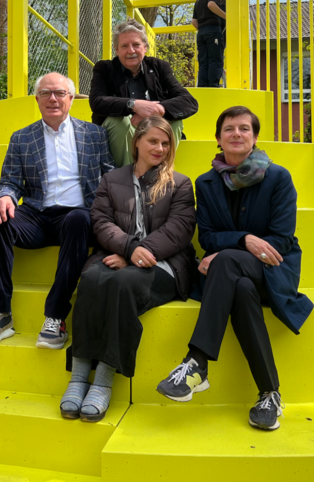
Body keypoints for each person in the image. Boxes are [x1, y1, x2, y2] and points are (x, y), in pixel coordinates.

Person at [155, 106, 313, 431]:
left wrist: (233, 248)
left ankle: (197, 361)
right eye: (229, 129)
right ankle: (270, 393)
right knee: (239, 288)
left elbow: (281, 240)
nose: (237, 134)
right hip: (234, 277)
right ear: (218, 138)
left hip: (273, 270)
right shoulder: (207, 182)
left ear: (254, 138)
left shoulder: (278, 177)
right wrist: (245, 240)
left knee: (225, 261)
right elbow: (208, 236)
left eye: (244, 129)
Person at [60, 116, 198, 422]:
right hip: (117, 255)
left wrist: (138, 253)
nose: (160, 148)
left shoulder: (180, 183)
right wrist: (128, 249)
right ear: (136, 141)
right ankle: (79, 376)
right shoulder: (112, 180)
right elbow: (100, 221)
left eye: (165, 143)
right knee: (92, 278)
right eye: (153, 141)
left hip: (165, 265)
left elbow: (179, 230)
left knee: (123, 284)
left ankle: (104, 381)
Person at [0, 72, 114, 350]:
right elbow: (10, 181)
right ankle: (1, 313)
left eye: (60, 93)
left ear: (71, 99)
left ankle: (55, 316)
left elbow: (109, 177)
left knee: (78, 218)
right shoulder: (21, 138)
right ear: (37, 99)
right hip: (37, 215)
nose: (53, 98)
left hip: (77, 217)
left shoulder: (95, 134)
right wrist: (4, 197)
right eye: (46, 93)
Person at [89, 19, 199, 167]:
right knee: (120, 122)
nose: (131, 51)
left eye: (136, 45)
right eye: (124, 46)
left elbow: (189, 102)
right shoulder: (104, 69)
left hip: (152, 130)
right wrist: (133, 105)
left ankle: (158, 174)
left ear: (145, 47)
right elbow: (97, 102)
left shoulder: (159, 67)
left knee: (176, 122)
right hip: (121, 135)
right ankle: (126, 178)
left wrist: (156, 110)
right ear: (116, 49)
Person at [192, 0, 227, 88]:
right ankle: (213, 86)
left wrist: (203, 29)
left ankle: (203, 86)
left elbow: (194, 22)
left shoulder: (198, 0)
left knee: (203, 60)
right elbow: (211, 4)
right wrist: (226, 17)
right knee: (215, 59)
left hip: (201, 32)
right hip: (213, 30)